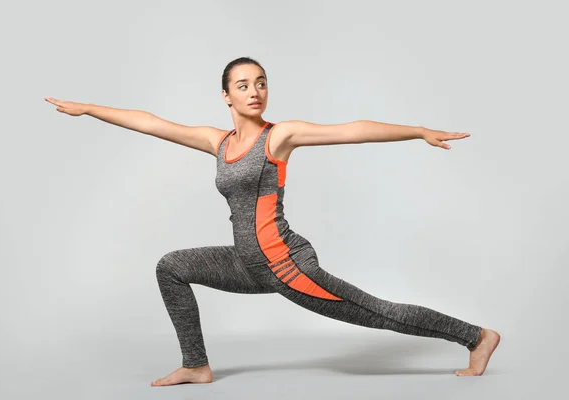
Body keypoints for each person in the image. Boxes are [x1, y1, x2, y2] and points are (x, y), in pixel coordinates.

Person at [44, 56, 500, 386]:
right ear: (226, 95)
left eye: (261, 83)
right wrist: (89, 109)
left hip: (286, 265)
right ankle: (196, 365)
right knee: (172, 266)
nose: (254, 91)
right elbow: (151, 123)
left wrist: (417, 131)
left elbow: (352, 129)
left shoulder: (279, 136)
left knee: (377, 313)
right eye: (242, 85)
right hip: (248, 263)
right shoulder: (217, 142)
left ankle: (475, 337)